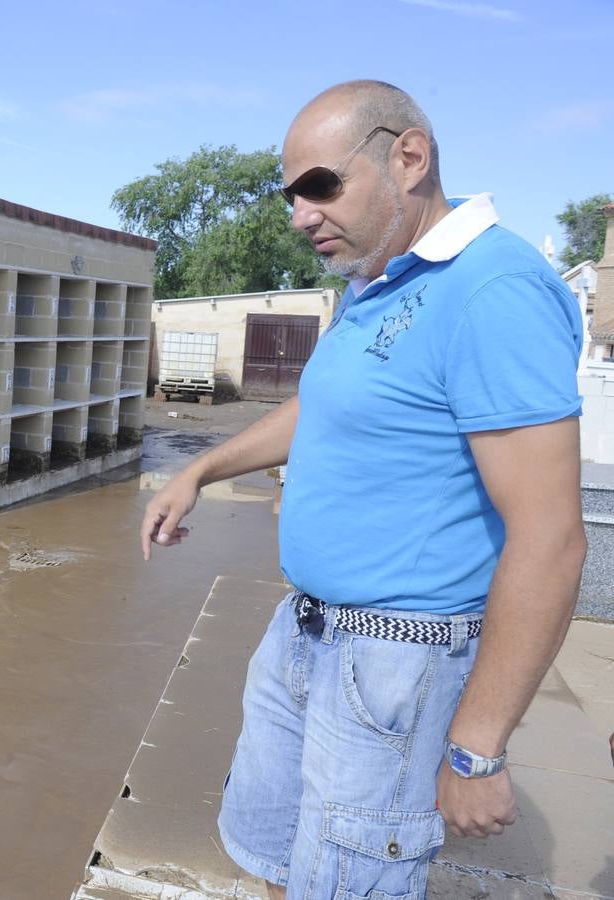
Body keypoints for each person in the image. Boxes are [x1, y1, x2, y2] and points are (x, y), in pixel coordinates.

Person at [139, 80, 586, 900]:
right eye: (290, 196)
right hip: (305, 632)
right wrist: (200, 470)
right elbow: (320, 409)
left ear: (408, 157)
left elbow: (552, 538)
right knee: (273, 861)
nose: (302, 213)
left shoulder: (494, 290)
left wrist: (476, 748)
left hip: (397, 661)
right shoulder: (374, 284)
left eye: (321, 185)